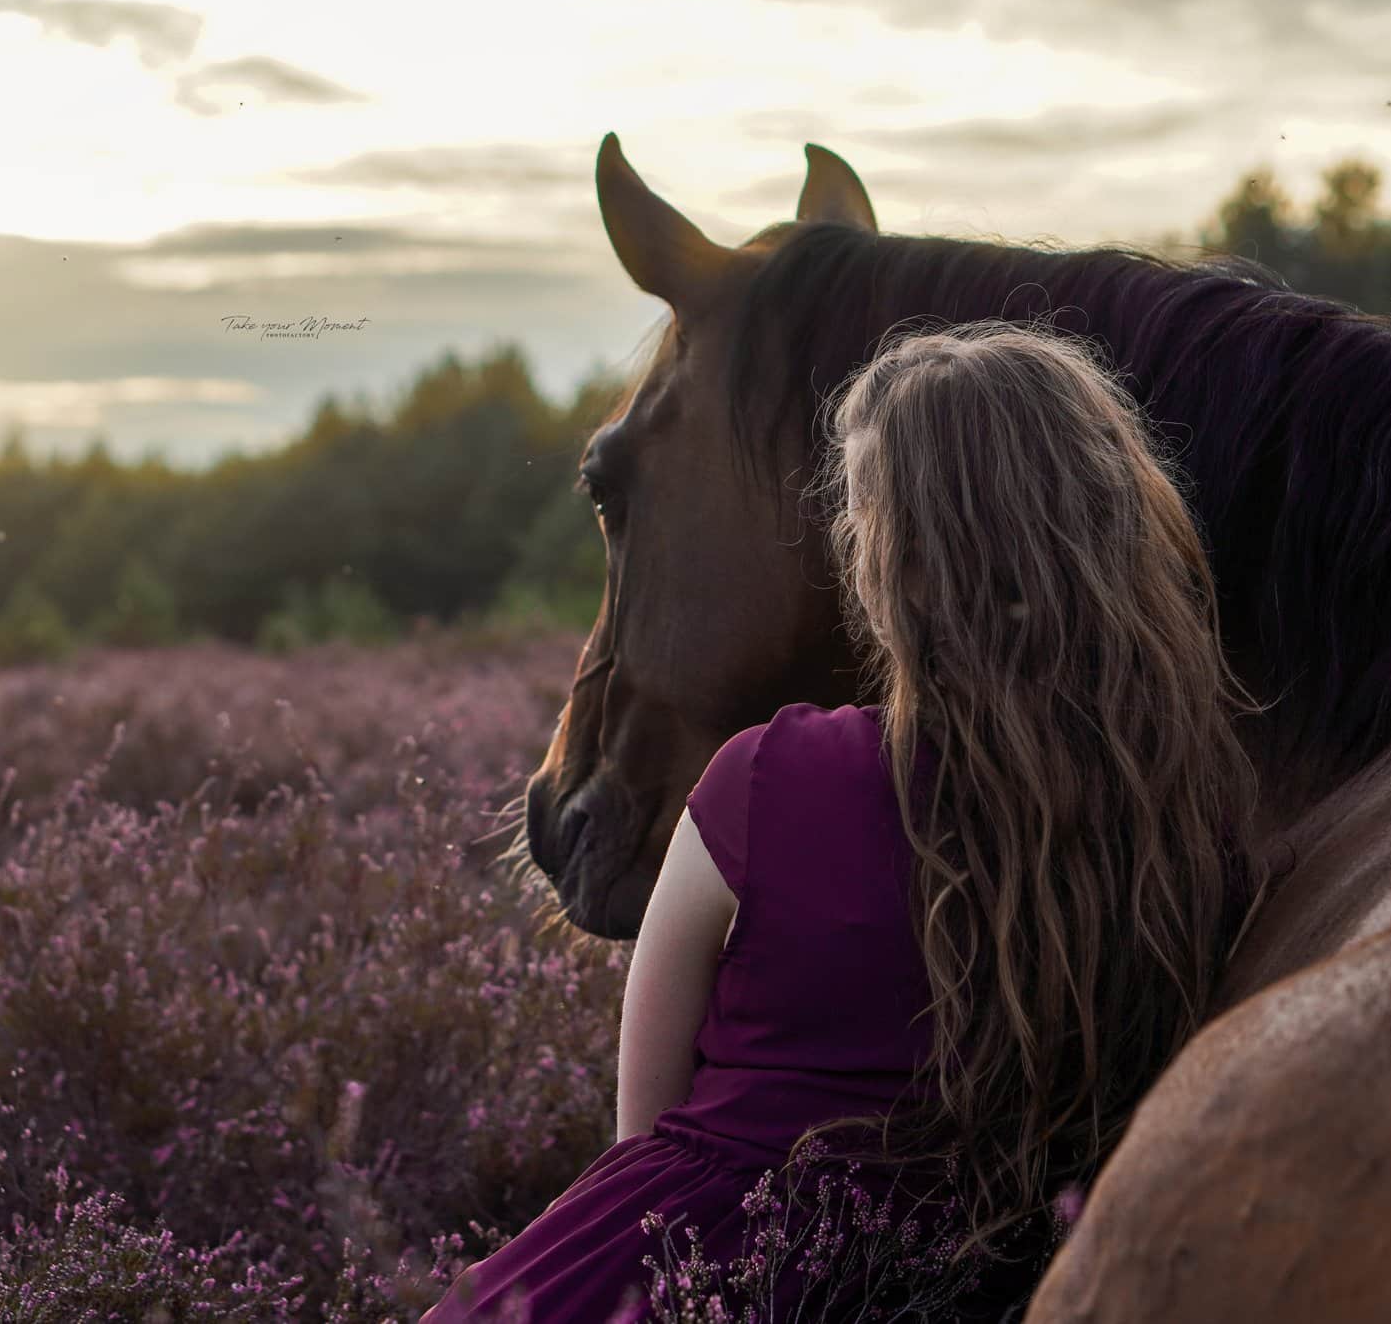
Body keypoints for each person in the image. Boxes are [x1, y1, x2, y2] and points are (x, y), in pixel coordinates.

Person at [422, 318, 1264, 1322]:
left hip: (683, 1277)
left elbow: (640, 1141)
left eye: (860, 517)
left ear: (898, 564)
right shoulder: (1195, 823)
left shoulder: (769, 778)